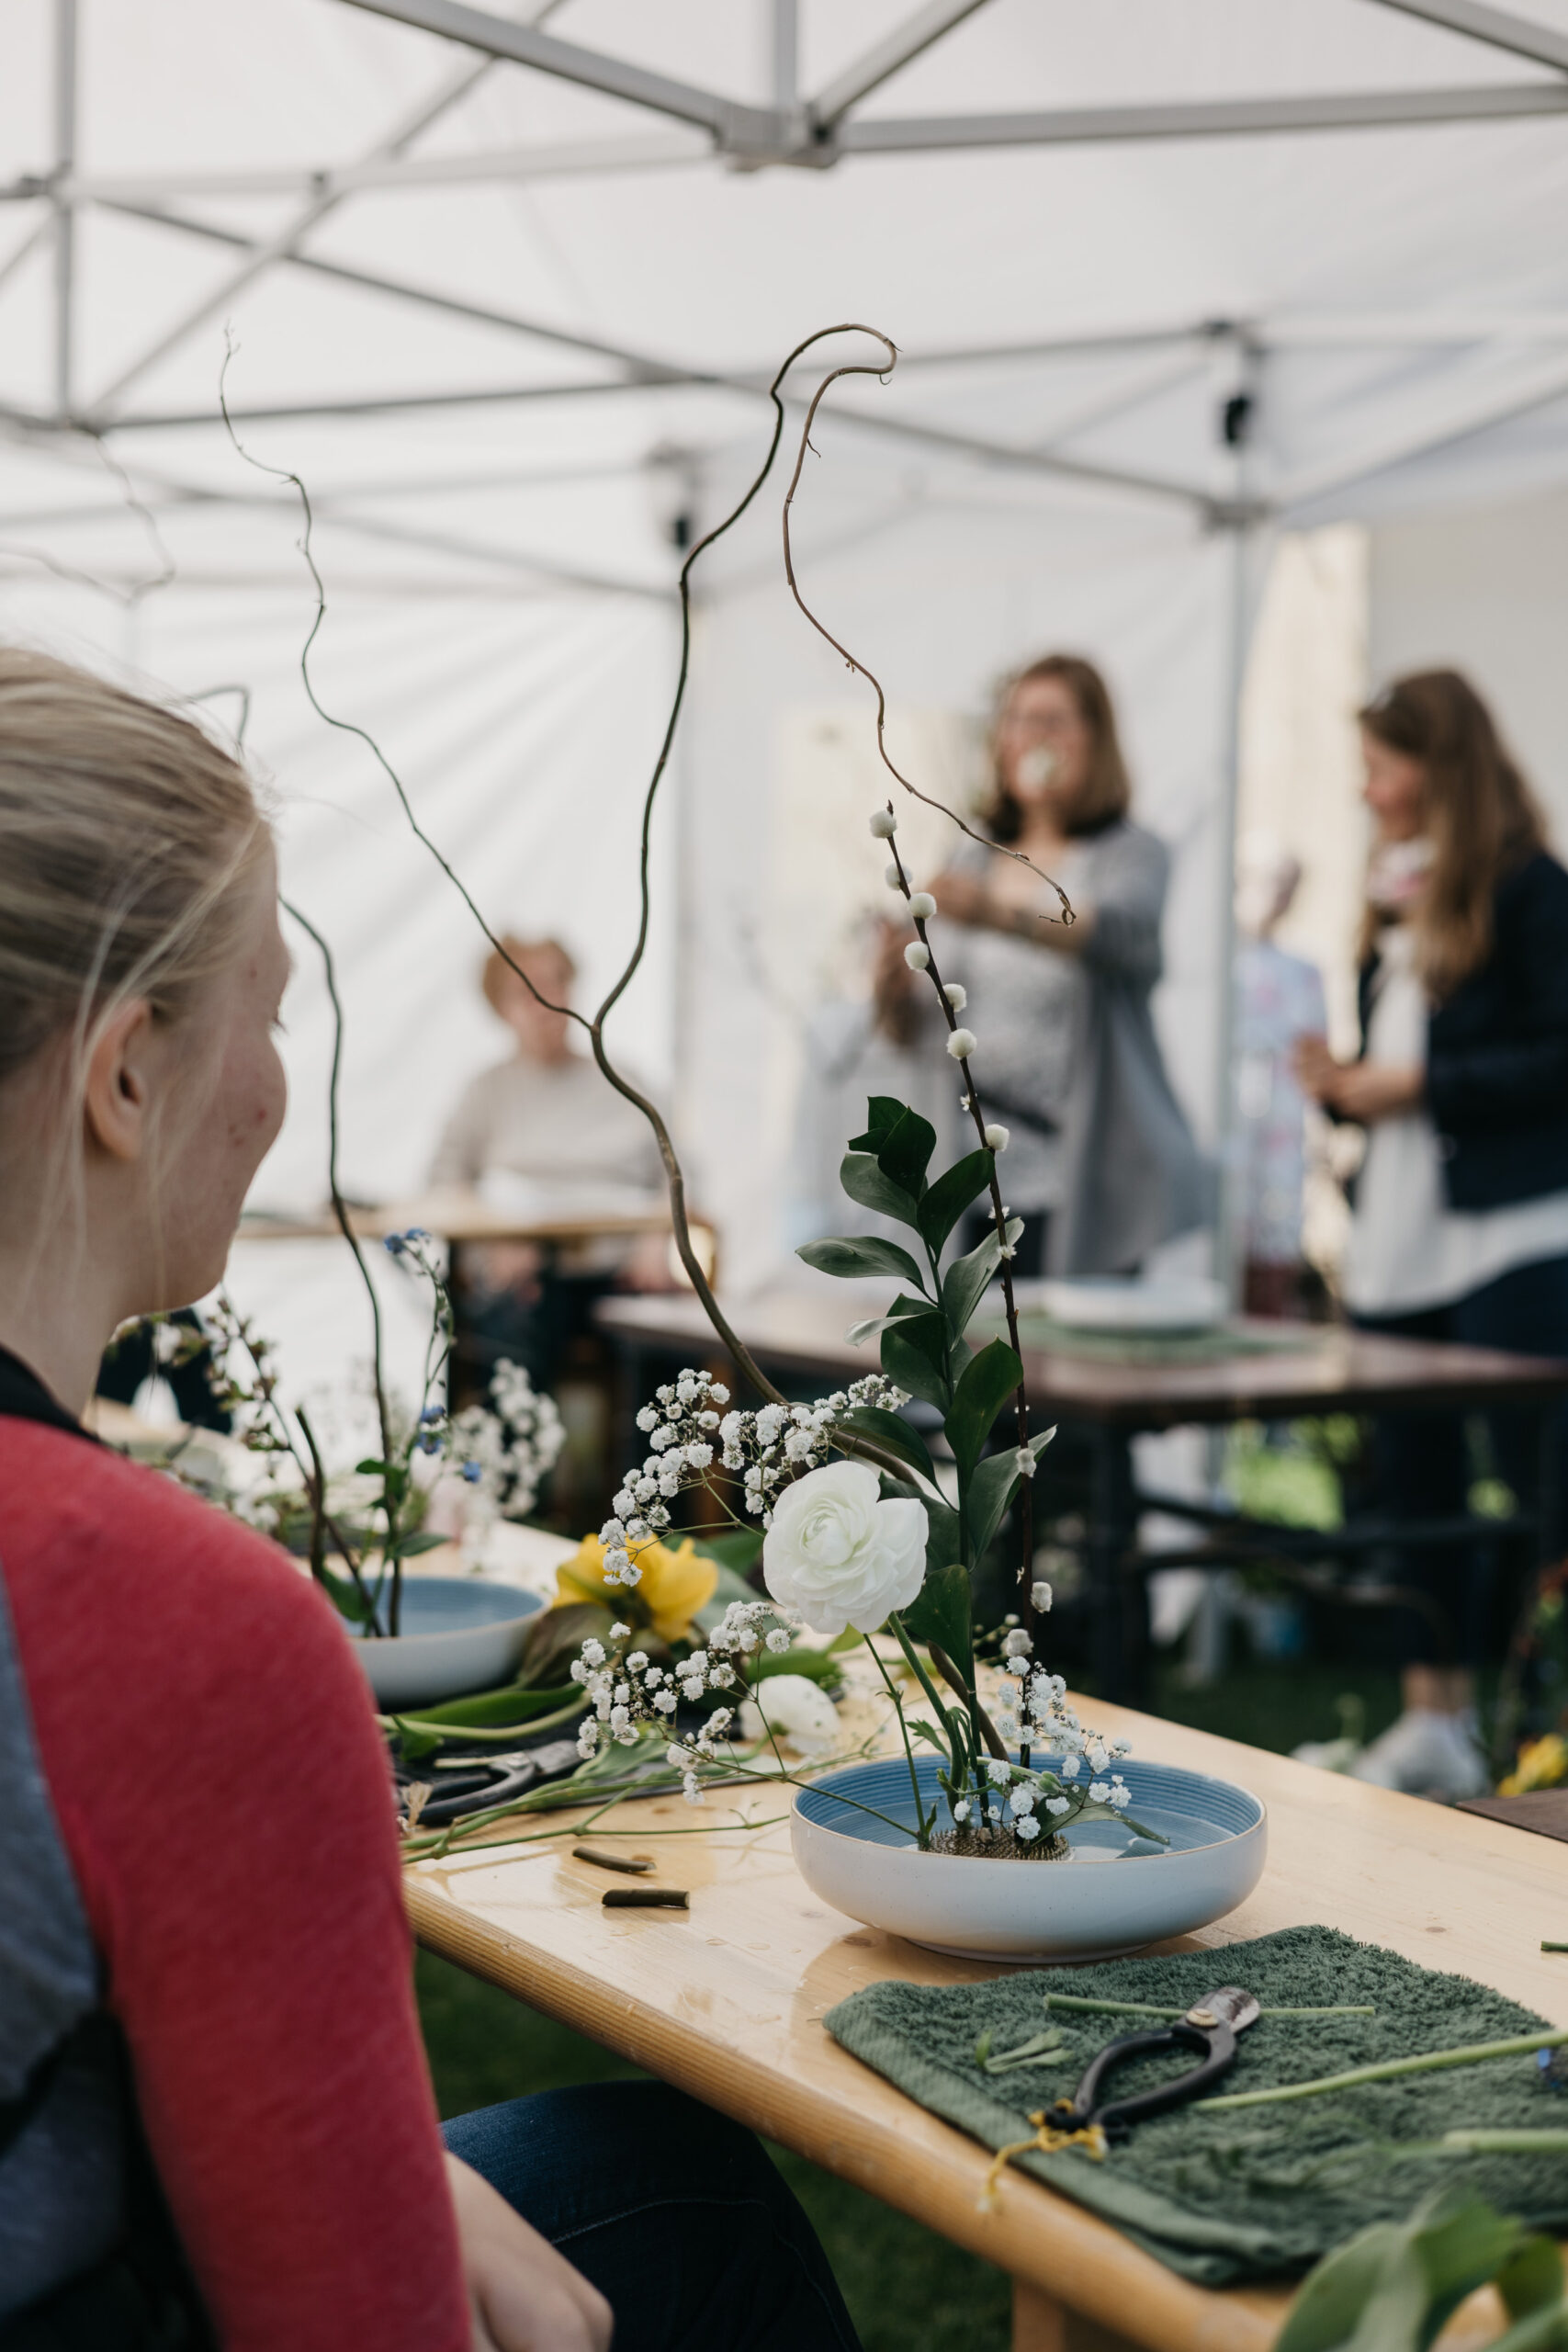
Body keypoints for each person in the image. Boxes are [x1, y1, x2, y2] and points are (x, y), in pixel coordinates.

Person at [0, 649, 861, 2352]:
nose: (278, 1086)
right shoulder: (173, 1628)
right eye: (270, 1011)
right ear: (126, 1076)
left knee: (658, 2173)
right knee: (696, 2211)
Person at [1297, 668, 1568, 1800]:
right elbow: (1397, 1062)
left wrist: (1417, 1086)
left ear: (1436, 762)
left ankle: (1541, 1719)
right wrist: (1344, 1086)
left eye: (1382, 766)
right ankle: (1432, 1716)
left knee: (1535, 1481)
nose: (1368, 790)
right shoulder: (1391, 900)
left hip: (1511, 1234)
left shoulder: (1531, 889)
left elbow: (1557, 1053)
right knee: (1414, 1479)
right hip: (1400, 1234)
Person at [918, 652, 1206, 1277]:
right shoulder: (971, 855)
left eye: (1052, 721)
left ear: (1095, 738)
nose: (1032, 737)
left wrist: (996, 913)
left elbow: (1122, 932)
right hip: (970, 1173)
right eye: (1017, 719)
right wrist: (892, 975)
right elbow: (925, 1013)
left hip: (1078, 1174)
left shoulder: (1131, 854)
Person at [429, 936, 671, 1398]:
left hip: (621, 1272)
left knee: (666, 1343)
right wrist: (491, 1246)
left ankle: (655, 1449)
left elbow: (678, 1175)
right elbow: (444, 1181)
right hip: (528, 1276)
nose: (546, 1000)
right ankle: (518, 1444)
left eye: (557, 982)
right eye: (527, 990)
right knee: (502, 1335)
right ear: (501, 1009)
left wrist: (655, 1241)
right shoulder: (486, 1091)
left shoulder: (625, 1081)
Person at [1233, 831, 1327, 1317]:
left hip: (1281, 1130)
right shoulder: (1215, 967)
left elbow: (1316, 1059)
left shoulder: (1303, 971)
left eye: (1289, 885)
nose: (1278, 896)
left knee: (1273, 1246)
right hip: (1230, 1126)